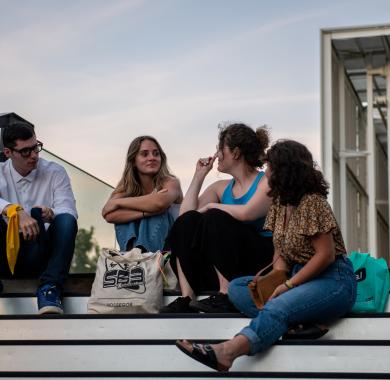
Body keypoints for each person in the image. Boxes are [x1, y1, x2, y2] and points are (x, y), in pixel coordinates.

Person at [175, 139, 357, 371]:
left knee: (277, 306)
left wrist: (289, 286)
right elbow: (280, 256)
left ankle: (227, 352)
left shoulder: (312, 202)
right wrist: (274, 280)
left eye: (270, 167)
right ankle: (298, 322)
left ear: (284, 170)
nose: (266, 171)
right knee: (238, 289)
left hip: (332, 279)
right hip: (297, 276)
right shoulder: (280, 205)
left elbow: (325, 256)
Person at [161, 123, 274, 314]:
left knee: (215, 216)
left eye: (220, 149)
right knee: (188, 221)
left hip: (260, 263)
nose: (217, 154)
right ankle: (187, 297)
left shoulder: (266, 182)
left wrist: (213, 206)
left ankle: (226, 294)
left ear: (236, 153)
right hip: (227, 262)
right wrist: (199, 175)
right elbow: (185, 217)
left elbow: (247, 213)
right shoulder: (221, 187)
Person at [0, 124, 78, 314]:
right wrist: (13, 210)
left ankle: (50, 288)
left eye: (36, 147)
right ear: (8, 152)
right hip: (5, 254)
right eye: (26, 151)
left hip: (42, 252)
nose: (34, 155)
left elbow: (69, 210)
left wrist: (52, 213)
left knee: (66, 219)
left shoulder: (55, 171)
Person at [102, 136, 182, 253]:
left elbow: (159, 203)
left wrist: (118, 203)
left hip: (169, 249)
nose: (152, 158)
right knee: (134, 217)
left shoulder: (171, 182)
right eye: (145, 154)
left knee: (154, 215)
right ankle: (132, 258)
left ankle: (142, 257)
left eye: (156, 154)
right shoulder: (126, 188)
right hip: (133, 255)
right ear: (134, 161)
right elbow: (109, 215)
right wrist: (146, 211)